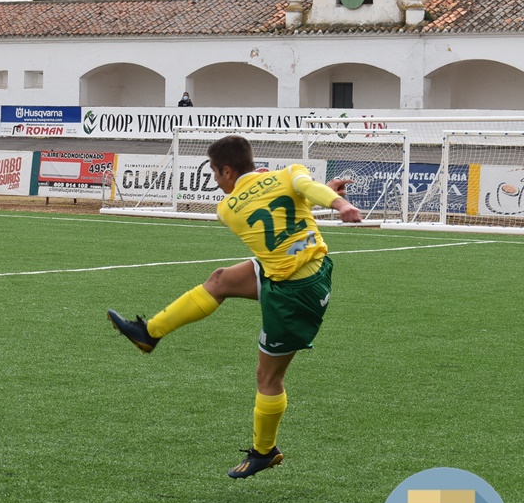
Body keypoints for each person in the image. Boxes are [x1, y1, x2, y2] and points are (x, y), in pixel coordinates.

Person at [107, 135, 361, 479]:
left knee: (268, 377)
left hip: (296, 291)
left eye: (214, 173)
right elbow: (300, 191)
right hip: (285, 270)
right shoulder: (290, 174)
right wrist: (335, 200)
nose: (215, 181)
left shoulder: (227, 209)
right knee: (221, 280)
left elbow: (276, 205)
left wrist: (329, 199)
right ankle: (149, 333)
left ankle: (264, 451)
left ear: (227, 170)